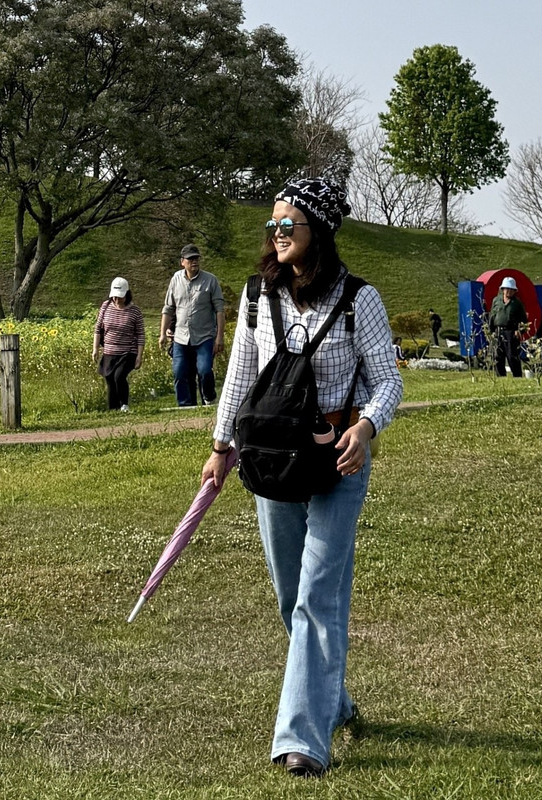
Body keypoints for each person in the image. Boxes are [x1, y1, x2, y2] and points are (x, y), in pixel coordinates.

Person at [201, 176, 402, 779]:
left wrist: (365, 428)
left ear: (319, 230)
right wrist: (220, 447)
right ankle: (333, 699)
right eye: (273, 225)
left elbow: (387, 381)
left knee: (318, 592)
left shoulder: (359, 300)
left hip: (337, 462)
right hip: (270, 460)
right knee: (291, 596)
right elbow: (240, 376)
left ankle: (302, 739)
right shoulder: (256, 296)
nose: (277, 233)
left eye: (288, 223)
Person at [159, 245, 225, 406]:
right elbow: (168, 308)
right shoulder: (176, 279)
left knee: (204, 370)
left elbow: (220, 310)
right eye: (190, 259)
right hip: (181, 337)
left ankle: (209, 398)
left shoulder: (210, 280)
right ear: (182, 262)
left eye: (196, 258)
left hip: (205, 336)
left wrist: (219, 337)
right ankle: (185, 405)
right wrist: (162, 333)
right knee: (179, 372)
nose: (194, 261)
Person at [92, 277, 145, 412]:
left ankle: (124, 404)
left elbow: (140, 335)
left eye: (120, 296)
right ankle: (113, 408)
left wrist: (139, 356)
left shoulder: (135, 312)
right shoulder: (106, 306)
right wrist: (95, 349)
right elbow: (98, 328)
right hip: (109, 351)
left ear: (127, 294)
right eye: (114, 296)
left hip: (128, 351)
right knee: (109, 378)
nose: (116, 299)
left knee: (119, 376)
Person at [489, 276, 528, 377]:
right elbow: (492, 316)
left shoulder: (517, 303)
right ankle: (500, 376)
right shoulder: (496, 300)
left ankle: (517, 376)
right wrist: (491, 331)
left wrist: (520, 331)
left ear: (515, 291)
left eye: (511, 289)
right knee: (497, 355)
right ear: (502, 289)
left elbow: (523, 320)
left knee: (512, 356)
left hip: (511, 332)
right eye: (507, 289)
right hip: (498, 331)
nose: (509, 291)